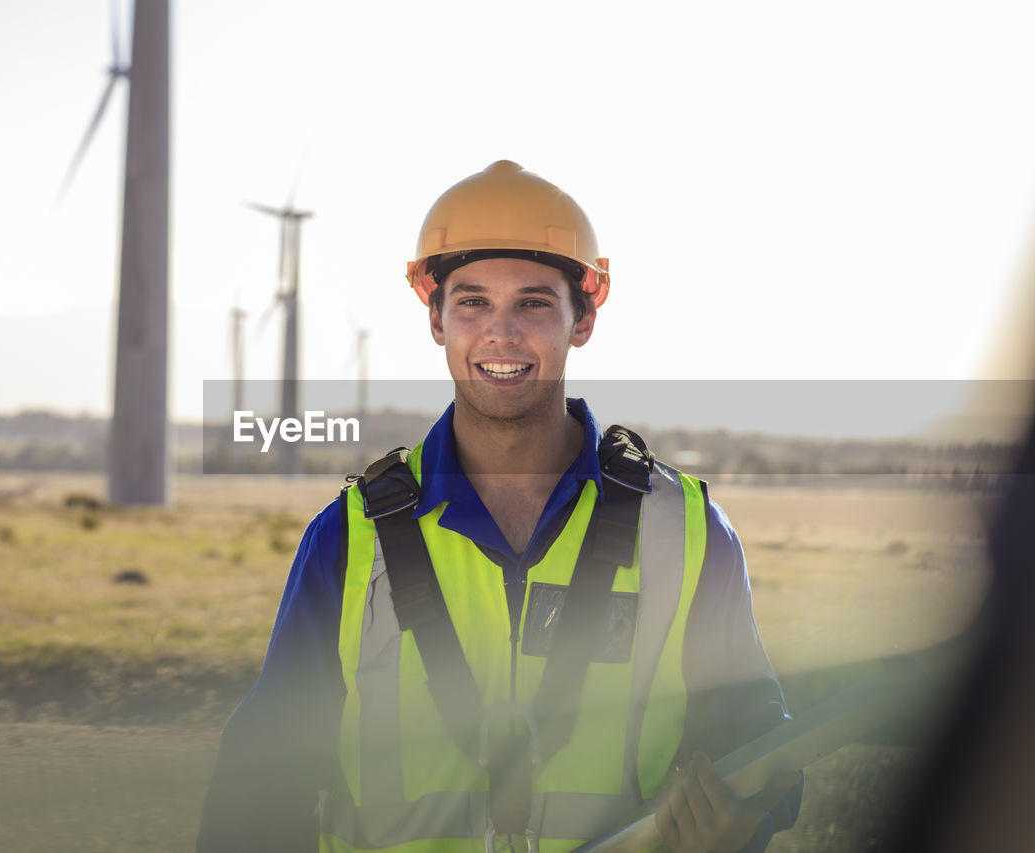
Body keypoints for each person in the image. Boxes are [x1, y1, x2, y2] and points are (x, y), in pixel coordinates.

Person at [198, 161, 802, 853]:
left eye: (535, 303)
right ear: (436, 320)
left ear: (583, 320)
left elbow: (762, 758)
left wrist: (742, 819)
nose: (502, 333)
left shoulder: (688, 532)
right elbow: (256, 796)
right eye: (474, 302)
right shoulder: (347, 539)